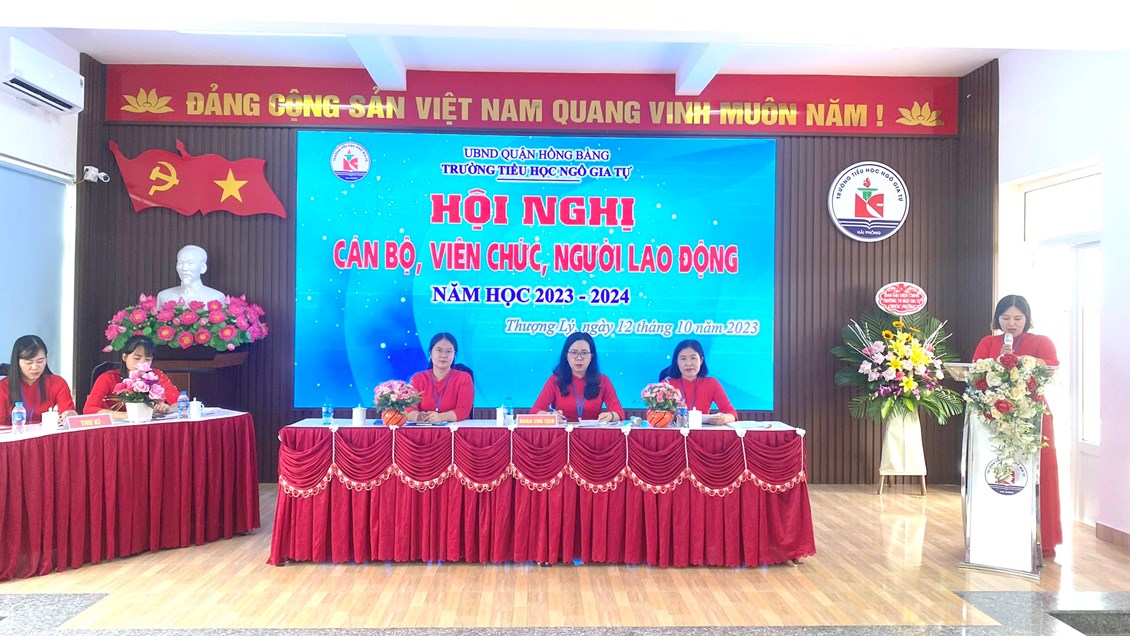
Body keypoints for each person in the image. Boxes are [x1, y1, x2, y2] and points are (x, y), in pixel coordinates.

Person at [972, 294, 1062, 559]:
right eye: (1006, 318)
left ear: (1027, 319)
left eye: (1017, 318)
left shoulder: (1041, 341)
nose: (1011, 323)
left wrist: (1023, 363)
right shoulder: (988, 342)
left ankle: (1040, 539)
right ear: (997, 319)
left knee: (1037, 472)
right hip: (993, 415)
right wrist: (995, 363)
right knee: (995, 471)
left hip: (1033, 414)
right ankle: (994, 537)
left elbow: (1052, 367)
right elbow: (975, 372)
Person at [531, 332, 623, 423]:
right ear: (566, 355)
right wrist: (550, 416)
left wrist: (611, 416)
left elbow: (619, 413)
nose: (579, 358)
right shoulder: (555, 380)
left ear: (591, 356)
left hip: (592, 431)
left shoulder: (602, 381)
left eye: (584, 353)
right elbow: (534, 412)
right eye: (574, 353)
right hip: (563, 431)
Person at [84, 335, 180, 415]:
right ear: (124, 357)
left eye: (148, 359)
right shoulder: (108, 378)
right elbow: (89, 409)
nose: (142, 363)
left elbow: (180, 403)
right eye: (137, 358)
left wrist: (169, 409)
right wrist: (128, 416)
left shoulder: (156, 375)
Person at [0, 335, 77, 426]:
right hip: (14, 434)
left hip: (47, 433)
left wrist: (70, 415)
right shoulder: (3, 387)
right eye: (29, 362)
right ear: (17, 362)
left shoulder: (57, 383)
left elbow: (69, 416)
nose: (35, 367)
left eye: (40, 361)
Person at [661, 339, 738, 424]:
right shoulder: (666, 385)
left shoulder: (712, 383)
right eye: (683, 359)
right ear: (677, 362)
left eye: (693, 358)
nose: (688, 363)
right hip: (674, 429)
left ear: (701, 360)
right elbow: (652, 413)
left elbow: (732, 413)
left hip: (702, 431)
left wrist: (724, 418)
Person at [405, 332, 474, 423]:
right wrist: (417, 416)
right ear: (430, 353)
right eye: (439, 350)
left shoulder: (464, 378)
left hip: (453, 430)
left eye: (449, 351)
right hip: (424, 428)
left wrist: (441, 417)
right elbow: (409, 408)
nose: (444, 355)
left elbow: (463, 410)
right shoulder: (418, 379)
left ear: (454, 354)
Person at [156, 244, 227, 306]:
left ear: (203, 268)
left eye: (190, 263)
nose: (184, 268)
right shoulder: (163, 296)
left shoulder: (216, 297)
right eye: (180, 263)